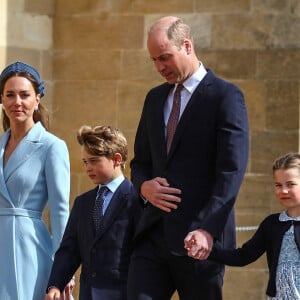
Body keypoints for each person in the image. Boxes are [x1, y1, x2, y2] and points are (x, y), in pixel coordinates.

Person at [128, 16, 249, 300]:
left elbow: (231, 172)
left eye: (165, 57)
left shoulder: (225, 96)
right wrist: (144, 187)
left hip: (199, 241)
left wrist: (208, 229)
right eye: (154, 60)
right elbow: (140, 163)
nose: (160, 67)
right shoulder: (154, 99)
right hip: (152, 238)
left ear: (187, 45)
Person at [0, 61, 73, 299]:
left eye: (24, 95)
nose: (17, 102)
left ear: (37, 98)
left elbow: (60, 212)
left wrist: (64, 270)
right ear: (2, 99)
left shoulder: (52, 146)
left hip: (30, 247)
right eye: (10, 95)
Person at [45, 125, 142, 300]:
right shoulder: (82, 202)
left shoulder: (136, 200)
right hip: (88, 294)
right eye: (85, 162)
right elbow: (69, 249)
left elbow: (143, 255)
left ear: (117, 159)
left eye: (94, 160)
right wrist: (55, 285)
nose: (88, 167)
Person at [187, 152, 300, 299]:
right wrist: (208, 250)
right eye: (278, 185)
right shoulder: (271, 224)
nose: (283, 190)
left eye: (290, 184)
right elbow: (243, 256)